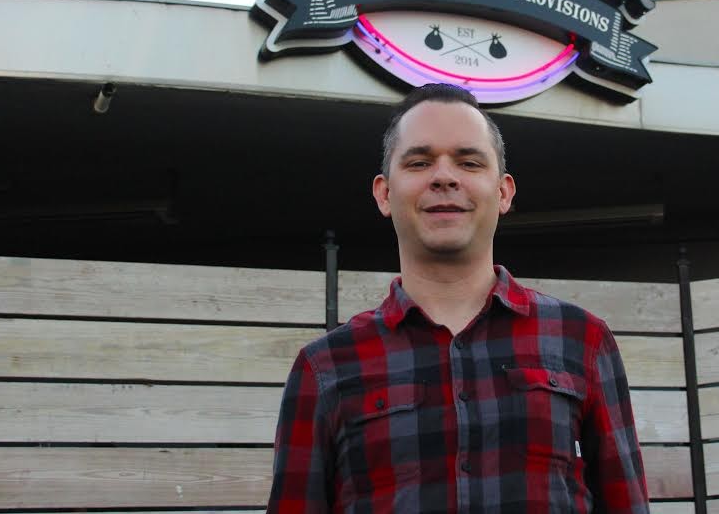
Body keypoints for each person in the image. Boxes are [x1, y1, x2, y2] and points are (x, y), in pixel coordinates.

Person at [266, 83, 649, 513]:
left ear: (503, 192)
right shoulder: (325, 368)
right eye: (419, 162)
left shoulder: (583, 342)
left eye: (468, 162)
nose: (444, 177)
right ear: (384, 194)